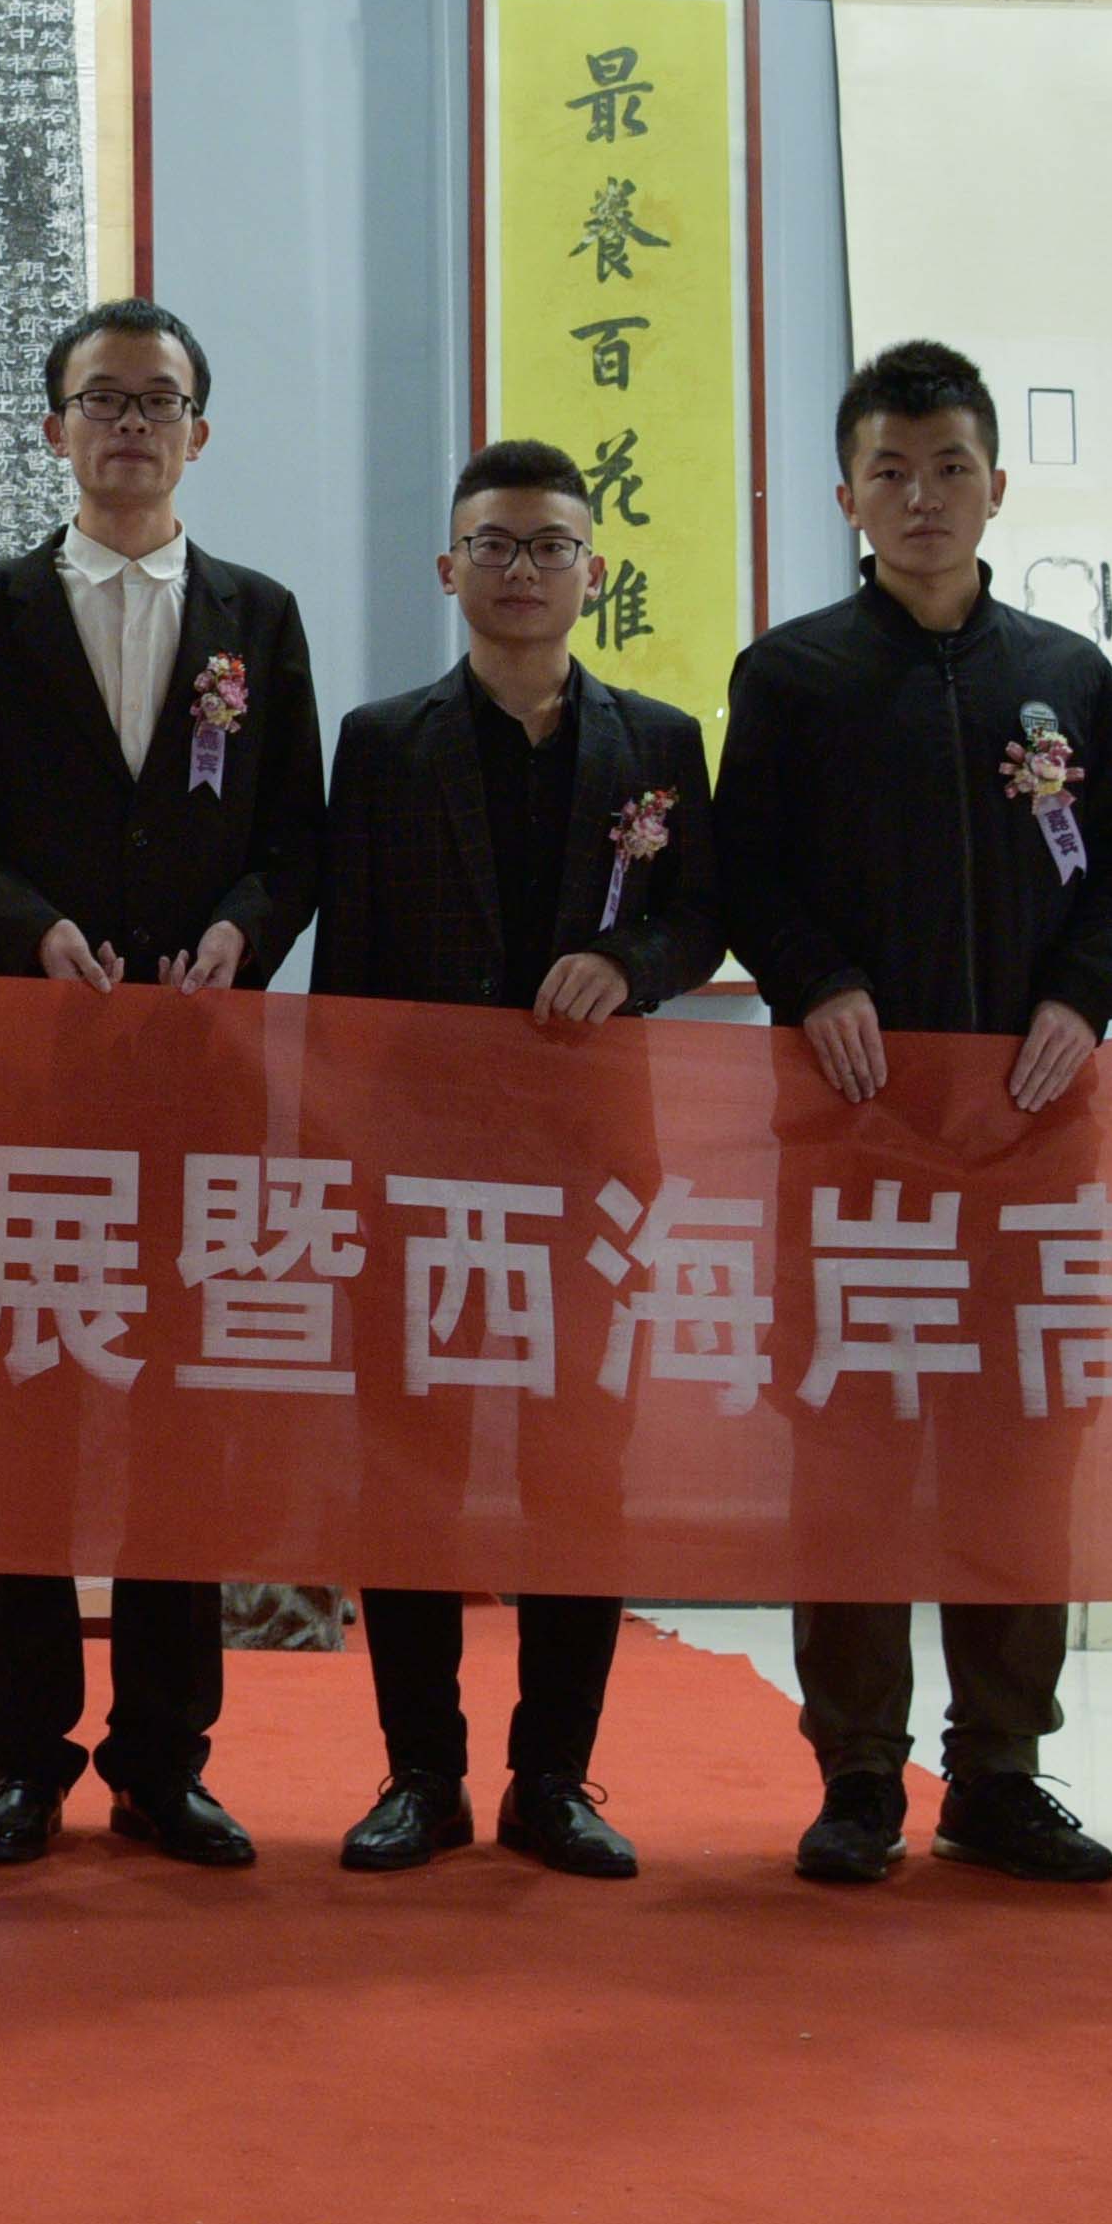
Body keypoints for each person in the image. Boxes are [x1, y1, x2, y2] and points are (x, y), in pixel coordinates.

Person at [0, 297, 325, 1869]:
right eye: (102, 399)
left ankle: (164, 1760)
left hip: (196, 1079)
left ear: (199, 433)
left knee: (179, 1424)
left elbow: (298, 835)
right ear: (54, 426)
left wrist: (242, 932)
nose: (130, 425)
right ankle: (24, 1758)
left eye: (158, 401)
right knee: (29, 1412)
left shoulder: (260, 618)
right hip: (29, 1074)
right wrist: (29, 930)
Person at [712, 338, 1112, 1893]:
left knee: (1021, 1450)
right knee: (853, 1451)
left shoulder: (1068, 676)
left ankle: (1001, 1768)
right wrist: (816, 978)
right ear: (846, 497)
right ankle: (855, 1770)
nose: (922, 497)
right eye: (889, 472)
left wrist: (1082, 995)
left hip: (1034, 1133)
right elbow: (738, 873)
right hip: (855, 1136)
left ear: (996, 485)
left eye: (950, 466)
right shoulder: (793, 676)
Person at [316, 439, 718, 1883]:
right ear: (450, 569)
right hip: (416, 1166)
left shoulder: (657, 743)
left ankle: (554, 1778)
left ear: (592, 573)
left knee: (577, 1470)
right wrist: (344, 1158)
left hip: (588, 1167)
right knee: (409, 1466)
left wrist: (629, 961)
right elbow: (349, 961)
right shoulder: (382, 740)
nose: (523, 569)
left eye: (550, 546)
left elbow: (700, 918)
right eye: (495, 544)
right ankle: (421, 1775)